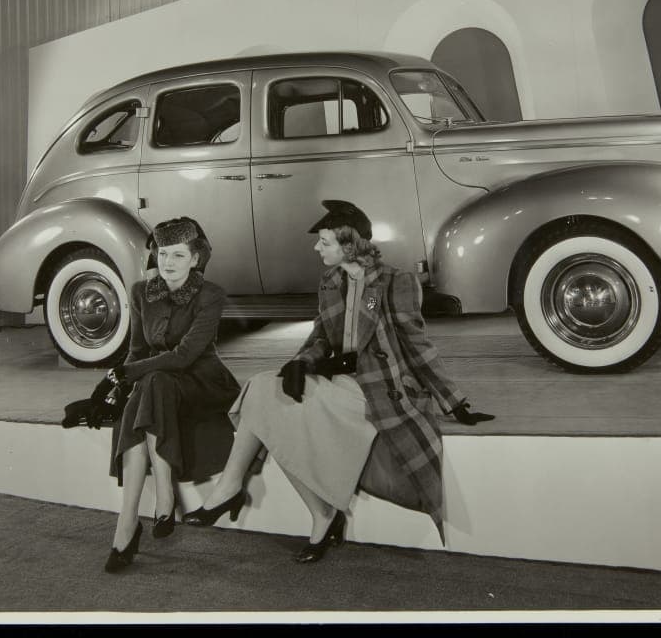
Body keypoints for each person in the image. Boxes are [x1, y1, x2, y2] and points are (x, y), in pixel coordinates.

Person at [183, 200, 493, 562]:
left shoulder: (397, 282)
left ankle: (315, 514)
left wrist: (454, 401)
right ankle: (244, 490)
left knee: (274, 408)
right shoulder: (331, 281)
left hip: (380, 388)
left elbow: (418, 345)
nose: (317, 248)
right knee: (263, 387)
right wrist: (301, 362)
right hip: (342, 381)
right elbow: (319, 337)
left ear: (350, 246)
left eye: (325, 242)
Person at [98, 217, 240, 573]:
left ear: (195, 259)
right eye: (163, 254)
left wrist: (128, 374)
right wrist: (117, 385)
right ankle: (128, 520)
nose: (168, 262)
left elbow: (184, 356)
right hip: (159, 384)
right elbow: (136, 350)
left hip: (204, 382)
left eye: (178, 255)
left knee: (153, 379)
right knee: (152, 382)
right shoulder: (140, 292)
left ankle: (158, 500)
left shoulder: (211, 295)